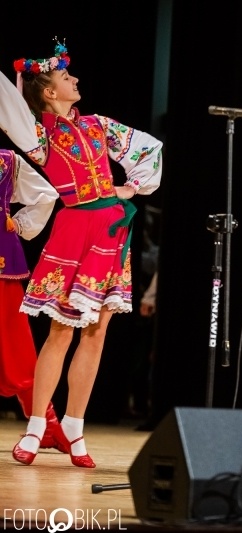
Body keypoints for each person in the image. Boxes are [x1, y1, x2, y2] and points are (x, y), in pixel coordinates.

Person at [0, 38, 163, 468]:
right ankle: (37, 426)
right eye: (66, 77)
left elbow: (149, 148)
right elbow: (9, 102)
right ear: (49, 92)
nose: (75, 80)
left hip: (110, 228)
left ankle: (75, 424)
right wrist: (27, 74)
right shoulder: (39, 136)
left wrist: (129, 187)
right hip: (74, 227)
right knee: (60, 331)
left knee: (97, 332)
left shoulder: (97, 124)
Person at [0, 147, 68, 453]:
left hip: (2, 264)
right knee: (16, 344)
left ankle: (47, 423)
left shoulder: (6, 161)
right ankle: (47, 424)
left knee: (16, 344)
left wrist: (20, 224)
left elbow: (46, 195)